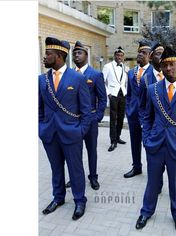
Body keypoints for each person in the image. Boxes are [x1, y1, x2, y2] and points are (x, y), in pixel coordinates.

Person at [135, 46, 176, 234]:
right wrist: (146, 138)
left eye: (172, 64)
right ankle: (146, 212)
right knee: (152, 182)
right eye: (165, 65)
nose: (169, 68)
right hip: (155, 145)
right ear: (160, 68)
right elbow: (146, 115)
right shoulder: (152, 89)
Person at [39, 37, 91, 221]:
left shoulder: (77, 78)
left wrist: (81, 131)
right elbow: (39, 108)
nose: (44, 57)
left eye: (48, 54)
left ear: (59, 56)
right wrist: (41, 127)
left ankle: (79, 200)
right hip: (49, 134)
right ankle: (58, 197)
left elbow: (86, 110)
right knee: (55, 168)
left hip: (71, 133)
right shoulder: (41, 79)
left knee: (75, 169)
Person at [65, 41, 107, 190]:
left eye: (79, 52)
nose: (76, 55)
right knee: (74, 152)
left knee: (91, 150)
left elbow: (102, 98)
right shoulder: (69, 74)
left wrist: (98, 116)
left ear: (86, 55)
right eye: (74, 53)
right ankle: (75, 177)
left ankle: (93, 177)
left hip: (90, 121)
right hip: (73, 121)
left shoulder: (95, 75)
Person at [123, 39, 153, 178]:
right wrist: (128, 109)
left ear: (149, 56)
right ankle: (136, 167)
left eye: (144, 52)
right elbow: (129, 94)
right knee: (135, 142)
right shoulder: (131, 73)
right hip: (133, 114)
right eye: (139, 52)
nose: (140, 54)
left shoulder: (154, 73)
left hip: (148, 116)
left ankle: (153, 173)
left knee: (149, 145)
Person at [103, 46, 129, 152]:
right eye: (118, 55)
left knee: (121, 117)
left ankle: (118, 137)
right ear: (114, 56)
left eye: (121, 56)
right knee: (113, 118)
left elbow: (127, 81)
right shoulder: (108, 66)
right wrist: (108, 93)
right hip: (113, 94)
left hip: (123, 94)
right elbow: (102, 81)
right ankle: (113, 141)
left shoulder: (125, 68)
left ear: (123, 57)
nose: (119, 57)